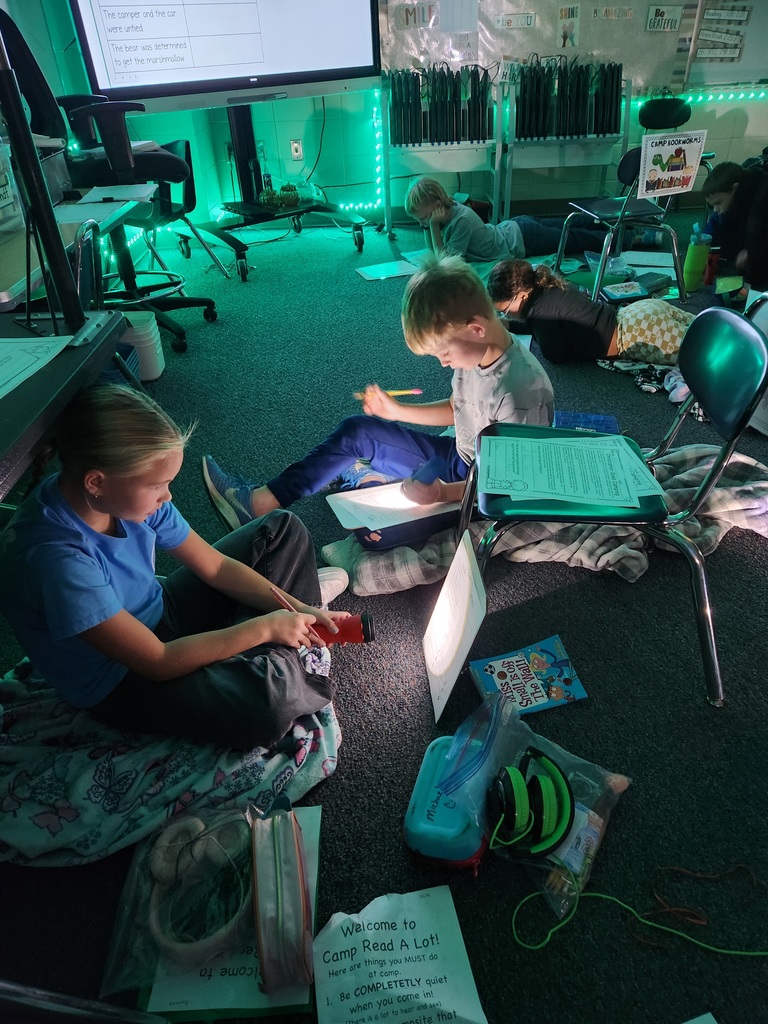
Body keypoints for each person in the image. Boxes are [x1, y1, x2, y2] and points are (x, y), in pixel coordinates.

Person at [0, 384, 352, 751]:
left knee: (281, 529)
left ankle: (275, 641)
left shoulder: (124, 496)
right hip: (122, 678)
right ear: (96, 482)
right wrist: (263, 628)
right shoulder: (54, 560)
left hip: (159, 609)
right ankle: (270, 650)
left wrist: (298, 606)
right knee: (267, 705)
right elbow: (158, 660)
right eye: (158, 486)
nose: (167, 496)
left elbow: (215, 567)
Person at [203, 253, 554, 551]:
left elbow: (509, 490)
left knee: (373, 532)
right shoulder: (474, 350)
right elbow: (457, 408)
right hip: (458, 457)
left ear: (476, 329)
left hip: (482, 489)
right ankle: (262, 502)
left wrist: (442, 493)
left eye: (444, 353)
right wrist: (396, 411)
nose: (443, 363)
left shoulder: (520, 392)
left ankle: (366, 478)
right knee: (357, 431)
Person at [487, 258, 694, 365]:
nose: (507, 315)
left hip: (638, 335)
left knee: (700, 356)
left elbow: (554, 355)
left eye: (506, 311)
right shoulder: (546, 286)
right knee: (704, 325)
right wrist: (511, 324)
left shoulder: (540, 314)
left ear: (522, 296)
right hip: (637, 312)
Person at [404, 176, 610, 263]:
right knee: (568, 226)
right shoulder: (448, 211)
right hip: (518, 228)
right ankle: (610, 225)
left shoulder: (461, 221)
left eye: (423, 218)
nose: (422, 223)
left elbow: (444, 262)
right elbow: (433, 249)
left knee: (574, 239)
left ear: (437, 206)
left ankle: (621, 238)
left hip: (523, 239)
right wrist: (427, 226)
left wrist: (432, 225)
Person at [701, 161, 768, 290]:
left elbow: (758, 230)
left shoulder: (762, 199)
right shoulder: (730, 203)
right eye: (713, 205)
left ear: (735, 189)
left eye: (718, 203)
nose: (716, 209)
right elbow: (715, 226)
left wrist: (752, 251)